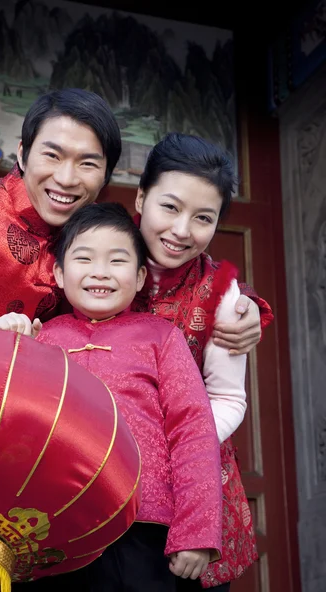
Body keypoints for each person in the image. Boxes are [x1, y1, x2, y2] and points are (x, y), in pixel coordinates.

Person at [0, 88, 265, 358]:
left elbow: (161, 253)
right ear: (22, 153)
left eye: (87, 163)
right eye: (52, 155)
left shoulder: (99, 235)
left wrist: (246, 302)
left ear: (106, 175)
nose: (66, 178)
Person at [0, 202, 223, 592]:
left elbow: (193, 432)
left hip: (142, 525)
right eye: (84, 258)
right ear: (60, 274)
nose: (100, 272)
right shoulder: (43, 338)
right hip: (52, 526)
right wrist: (9, 344)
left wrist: (195, 532)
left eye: (117, 261)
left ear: (138, 278)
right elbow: (5, 424)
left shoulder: (160, 338)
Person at [131, 133, 273, 590]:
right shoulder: (97, 263)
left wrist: (171, 450)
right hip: (103, 476)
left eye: (203, 218)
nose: (181, 229)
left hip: (193, 492)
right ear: (140, 197)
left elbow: (229, 397)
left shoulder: (224, 297)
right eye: (169, 207)